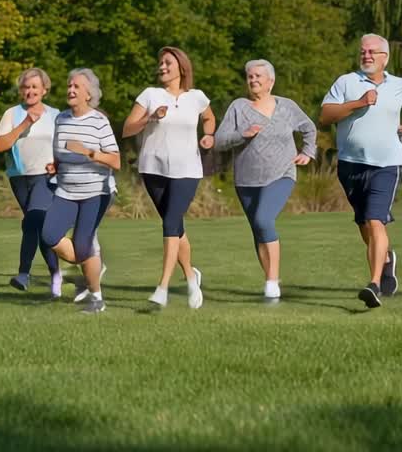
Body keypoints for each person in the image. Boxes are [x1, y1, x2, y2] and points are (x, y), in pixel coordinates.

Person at [320, 34, 402, 309]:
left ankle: (374, 283)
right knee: (365, 224)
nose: (366, 55)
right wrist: (359, 103)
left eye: (372, 52)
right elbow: (326, 116)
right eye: (363, 51)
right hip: (350, 164)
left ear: (384, 58)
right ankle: (387, 259)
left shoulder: (400, 85)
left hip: (387, 163)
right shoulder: (346, 82)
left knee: (375, 220)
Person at [214, 60, 318, 300]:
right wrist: (243, 134)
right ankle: (270, 280)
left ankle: (272, 282)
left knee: (263, 220)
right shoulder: (239, 107)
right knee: (258, 230)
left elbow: (309, 128)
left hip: (282, 173)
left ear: (271, 81)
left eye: (258, 76)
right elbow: (219, 141)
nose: (253, 80)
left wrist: (307, 152)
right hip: (246, 180)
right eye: (250, 76)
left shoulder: (287, 107)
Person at [122, 46, 215, 309]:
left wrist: (208, 135)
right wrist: (150, 118)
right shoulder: (150, 95)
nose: (162, 67)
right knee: (175, 227)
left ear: (181, 68)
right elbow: (128, 129)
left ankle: (162, 288)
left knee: (170, 224)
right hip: (153, 169)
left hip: (187, 170)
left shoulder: (196, 97)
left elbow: (209, 118)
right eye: (160, 63)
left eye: (167, 63)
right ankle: (191, 276)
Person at [42, 69, 121, 314]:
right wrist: (54, 165)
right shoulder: (61, 119)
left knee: (83, 241)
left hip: (96, 192)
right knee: (49, 234)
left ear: (89, 94)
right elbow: (60, 152)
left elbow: (116, 161)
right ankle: (92, 263)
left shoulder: (99, 121)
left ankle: (97, 299)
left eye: (77, 86)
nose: (71, 90)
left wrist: (89, 152)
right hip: (66, 190)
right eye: (69, 85)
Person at [0, 68, 63, 297]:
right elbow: (0, 146)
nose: (30, 91)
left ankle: (23, 274)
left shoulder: (56, 115)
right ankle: (56, 275)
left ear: (44, 89)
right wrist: (24, 124)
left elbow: (65, 145)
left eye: (35, 86)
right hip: (20, 178)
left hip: (47, 177)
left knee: (33, 219)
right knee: (39, 227)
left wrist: (59, 164)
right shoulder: (12, 114)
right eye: (26, 87)